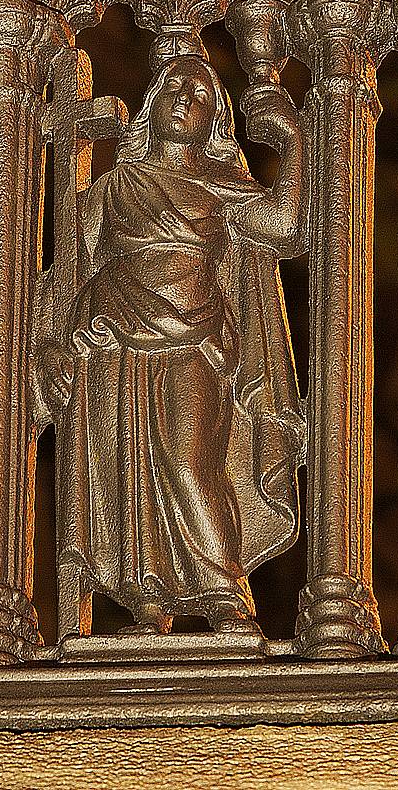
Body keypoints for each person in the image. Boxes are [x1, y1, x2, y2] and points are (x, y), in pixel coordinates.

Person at [41, 53, 306, 636]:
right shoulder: (113, 187)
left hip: (194, 338)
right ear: (152, 103)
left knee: (190, 463)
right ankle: (146, 599)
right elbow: (72, 271)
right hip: (113, 337)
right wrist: (57, 343)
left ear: (214, 121)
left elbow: (286, 229)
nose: (185, 98)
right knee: (126, 472)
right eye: (174, 88)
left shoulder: (220, 183)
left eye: (201, 95)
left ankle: (225, 591)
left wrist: (292, 144)